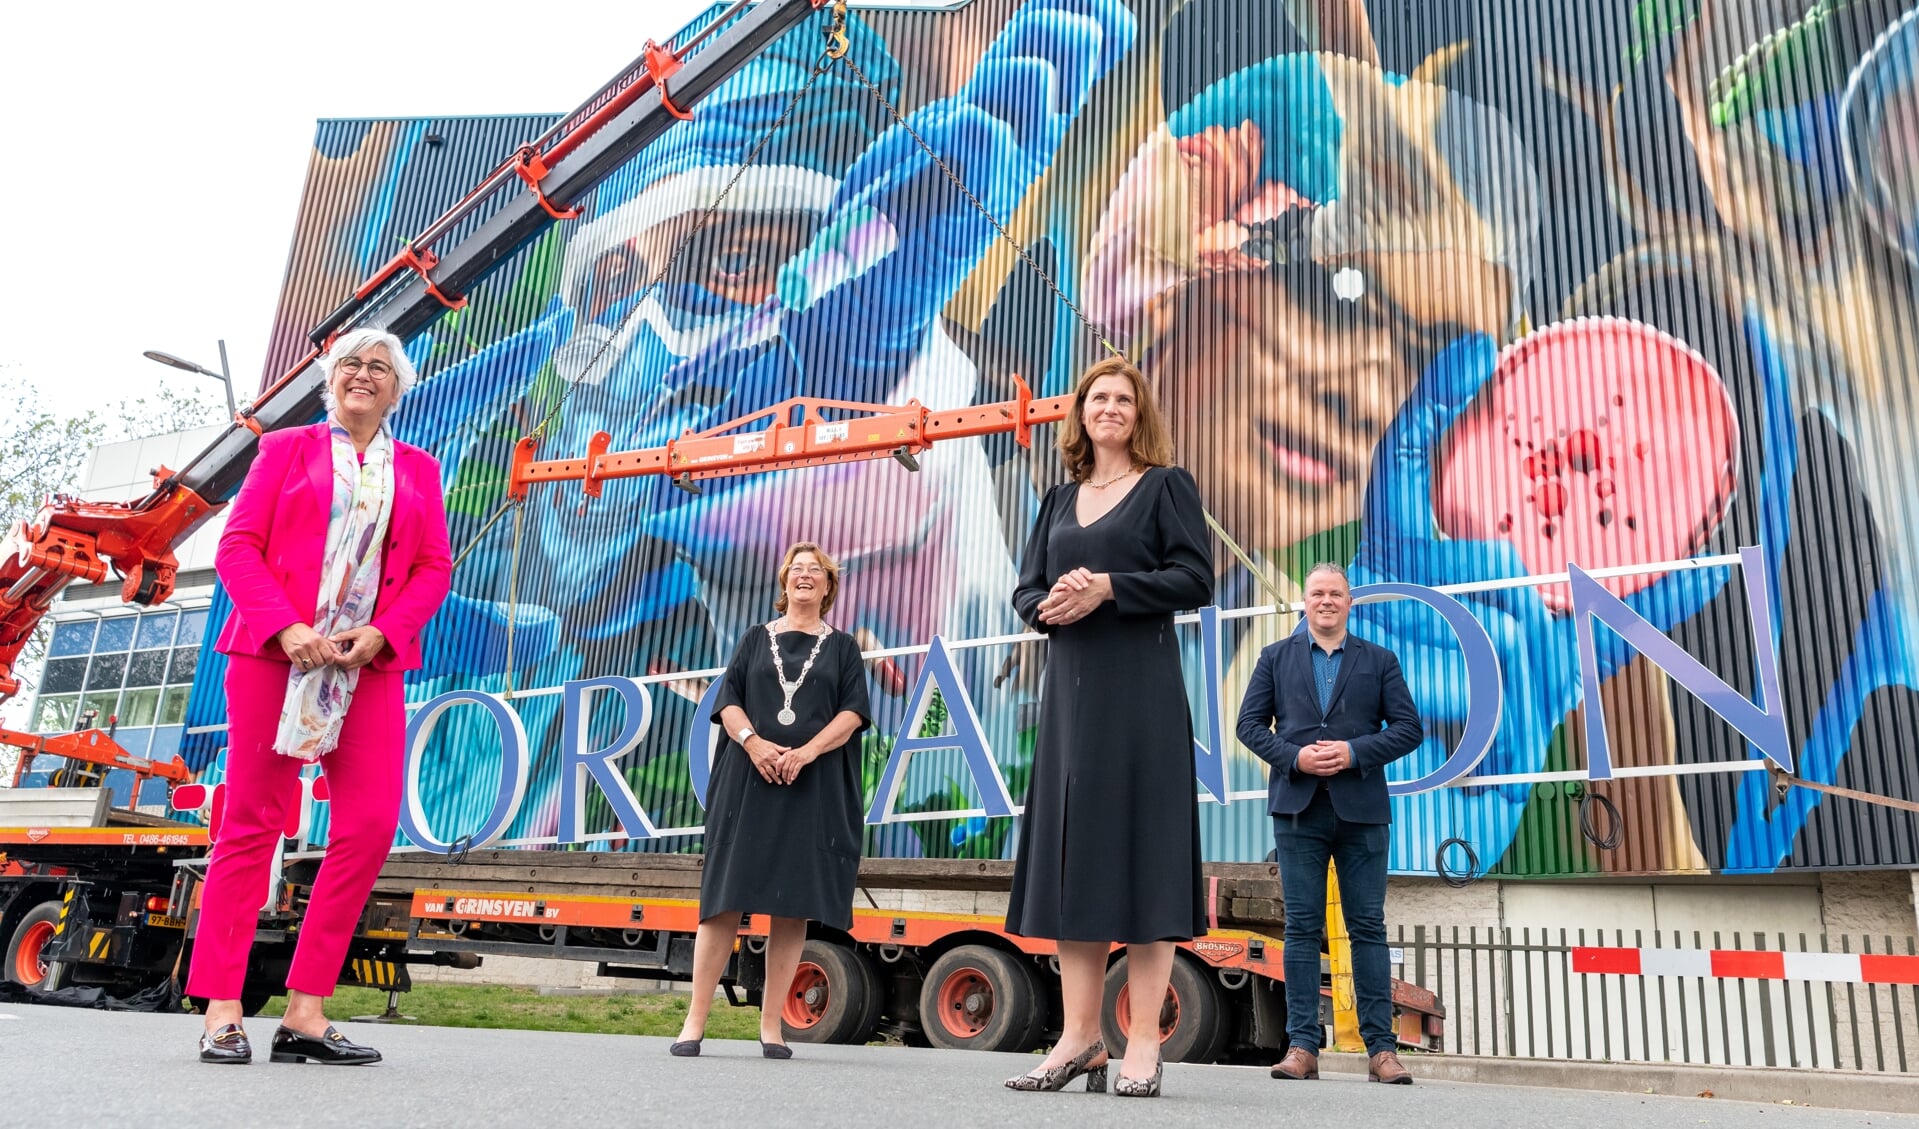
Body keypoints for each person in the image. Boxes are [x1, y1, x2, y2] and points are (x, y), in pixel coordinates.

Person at [189, 328, 451, 1065]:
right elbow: (236, 545)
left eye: (378, 367)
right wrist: (286, 627)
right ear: (328, 380)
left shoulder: (420, 469)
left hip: (365, 665)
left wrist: (383, 632)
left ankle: (306, 1011)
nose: (362, 376)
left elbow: (433, 567)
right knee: (251, 824)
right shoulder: (285, 449)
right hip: (276, 656)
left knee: (367, 827)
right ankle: (221, 1006)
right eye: (349, 365)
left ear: (397, 388)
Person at [1004, 354, 1214, 1099]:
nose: (1111, 408)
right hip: (1070, 703)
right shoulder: (1057, 500)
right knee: (1078, 866)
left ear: (1138, 413)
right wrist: (1047, 603)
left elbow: (1197, 577)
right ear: (1081, 413)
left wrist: (1109, 588)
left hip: (1142, 699)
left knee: (1146, 864)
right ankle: (1078, 1037)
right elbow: (1024, 588)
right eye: (1099, 397)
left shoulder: (1165, 485)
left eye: (1124, 398)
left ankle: (1144, 1042)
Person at [670, 542, 872, 1059]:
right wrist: (754, 743)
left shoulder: (845, 648)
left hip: (811, 788)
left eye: (815, 571)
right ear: (784, 585)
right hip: (748, 782)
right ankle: (694, 1023)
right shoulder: (754, 640)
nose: (805, 576)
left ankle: (771, 1027)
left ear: (828, 587)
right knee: (722, 902)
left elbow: (852, 716)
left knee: (792, 907)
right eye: (796, 570)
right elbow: (728, 700)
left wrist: (804, 753)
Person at [1234, 561, 1422, 1084]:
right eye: (1317, 592)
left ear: (1349, 601)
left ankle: (1381, 1051)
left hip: (1361, 812)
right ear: (1305, 602)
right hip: (1298, 809)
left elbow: (1409, 729)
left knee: (1367, 928)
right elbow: (1248, 725)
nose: (1325, 601)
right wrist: (1295, 758)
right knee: (1301, 928)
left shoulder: (1379, 660)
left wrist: (1353, 751)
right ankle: (1301, 1047)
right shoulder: (1274, 658)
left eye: (1335, 593)